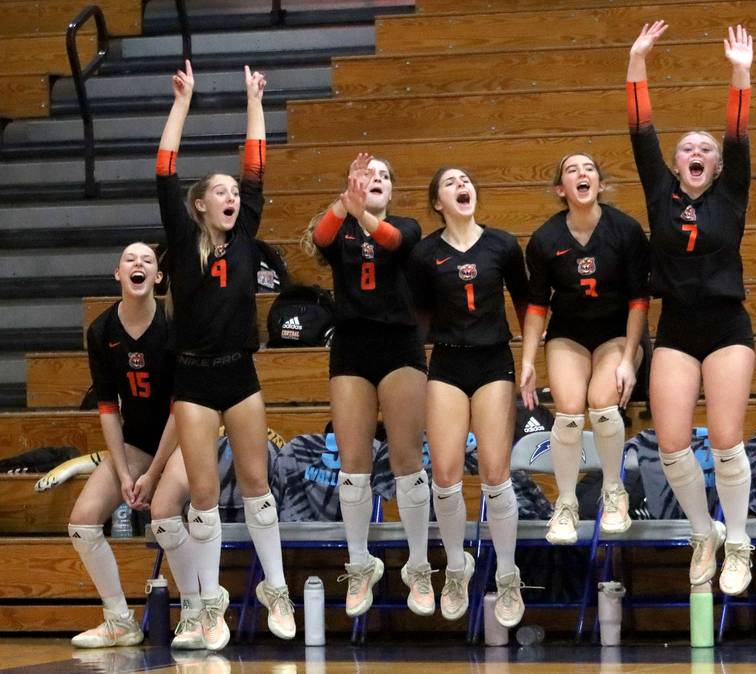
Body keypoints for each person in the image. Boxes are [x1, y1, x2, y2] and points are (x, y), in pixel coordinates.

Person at [157, 60, 294, 649]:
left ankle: (277, 588)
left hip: (240, 374)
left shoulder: (247, 239)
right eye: (220, 191)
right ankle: (210, 606)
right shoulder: (181, 245)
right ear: (198, 206)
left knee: (258, 485)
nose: (232, 195)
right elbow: (165, 169)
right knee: (205, 494)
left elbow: (257, 166)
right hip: (191, 378)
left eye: (235, 192)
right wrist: (183, 101)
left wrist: (254, 100)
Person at [627, 22, 755, 595]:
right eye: (688, 149)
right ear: (676, 165)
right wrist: (637, 61)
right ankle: (704, 532)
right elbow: (641, 130)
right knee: (673, 441)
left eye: (706, 149)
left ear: (717, 165)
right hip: (676, 327)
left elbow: (737, 131)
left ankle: (740, 540)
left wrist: (740, 72)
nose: (698, 152)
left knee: (726, 438)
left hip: (727, 325)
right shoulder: (660, 192)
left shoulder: (732, 189)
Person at [302, 153, 432, 618]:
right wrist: (344, 204)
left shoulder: (409, 226)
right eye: (366, 175)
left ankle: (418, 566)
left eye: (383, 176)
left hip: (400, 347)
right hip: (352, 349)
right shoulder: (341, 226)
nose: (375, 180)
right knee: (353, 465)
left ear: (392, 190)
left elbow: (393, 240)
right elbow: (319, 239)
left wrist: (361, 211)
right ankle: (360, 564)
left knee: (406, 461)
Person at [406, 167, 529, 628]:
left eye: (467, 181)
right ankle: (456, 567)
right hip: (447, 363)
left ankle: (508, 573)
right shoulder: (425, 254)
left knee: (497, 474)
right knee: (445, 474)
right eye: (451, 183)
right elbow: (417, 317)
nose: (463, 186)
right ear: (437, 201)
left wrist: (531, 356)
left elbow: (526, 303)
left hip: (494, 361)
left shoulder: (501, 244)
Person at [520, 154, 650, 544]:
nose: (582, 174)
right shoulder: (545, 239)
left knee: (602, 401)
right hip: (569, 334)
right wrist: (527, 360)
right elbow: (537, 308)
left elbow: (639, 301)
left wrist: (629, 358)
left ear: (601, 184)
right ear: (561, 189)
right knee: (570, 410)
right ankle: (566, 503)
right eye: (572, 170)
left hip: (618, 332)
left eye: (589, 168)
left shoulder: (624, 230)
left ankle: (614, 492)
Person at [69, 242, 182, 648]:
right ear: (118, 274)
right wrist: (122, 473)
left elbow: (181, 407)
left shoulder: (174, 322)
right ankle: (119, 620)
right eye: (129, 260)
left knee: (165, 515)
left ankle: (198, 612)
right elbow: (107, 409)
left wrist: (153, 474)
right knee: (82, 521)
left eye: (147, 261)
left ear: (158, 277)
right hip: (136, 441)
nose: (138, 265)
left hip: (183, 436)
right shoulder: (101, 331)